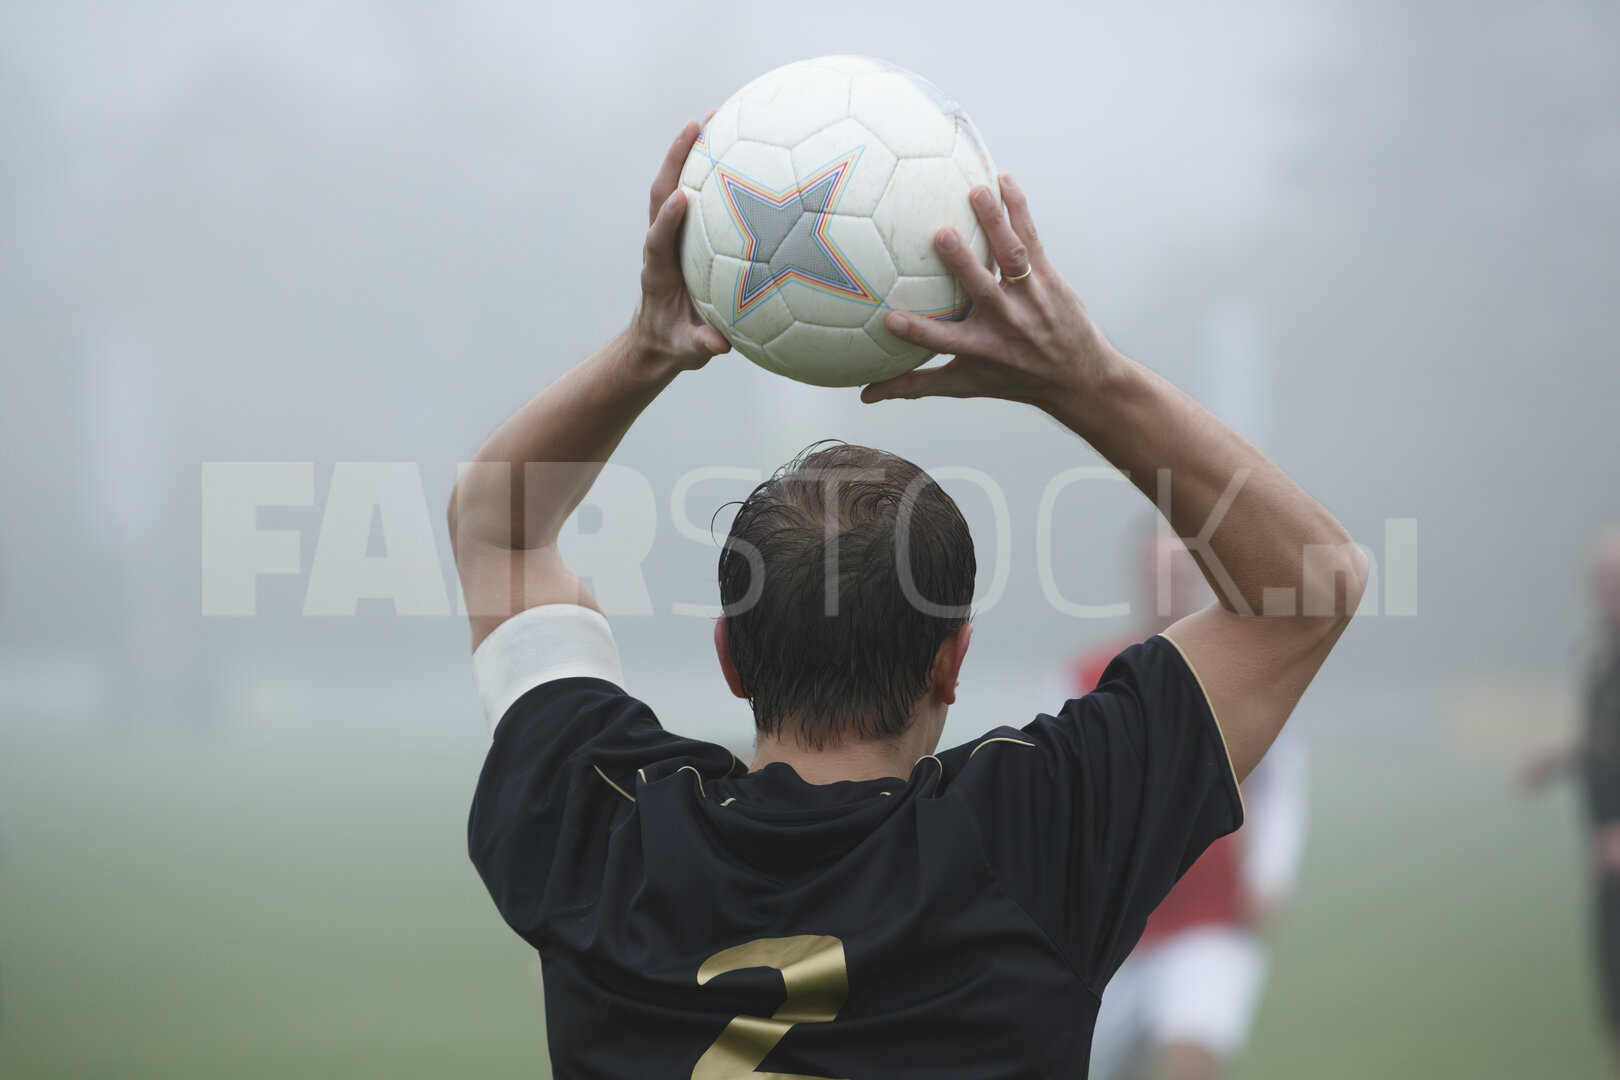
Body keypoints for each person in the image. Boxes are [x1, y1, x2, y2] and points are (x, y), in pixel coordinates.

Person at [447, 118, 1367, 1077]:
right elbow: (1310, 587)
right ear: (950, 660)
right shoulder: (1032, 836)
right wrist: (1082, 379)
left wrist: (646, 347)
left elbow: (495, 525)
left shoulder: (608, 825)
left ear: (730, 656)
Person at [1078, 529, 1308, 1080]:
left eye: (1179, 572)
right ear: (1138, 578)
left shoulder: (1244, 678)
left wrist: (1270, 874)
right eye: (1158, 571)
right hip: (1111, 924)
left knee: (1192, 1059)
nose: (1167, 584)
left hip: (1210, 916)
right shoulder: (1086, 677)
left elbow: (1282, 781)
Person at [1521, 529, 1620, 1071]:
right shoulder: (1601, 656)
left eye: (1617, 579)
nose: (1608, 590)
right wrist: (1561, 757)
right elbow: (1606, 738)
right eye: (1601, 579)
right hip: (1607, 872)